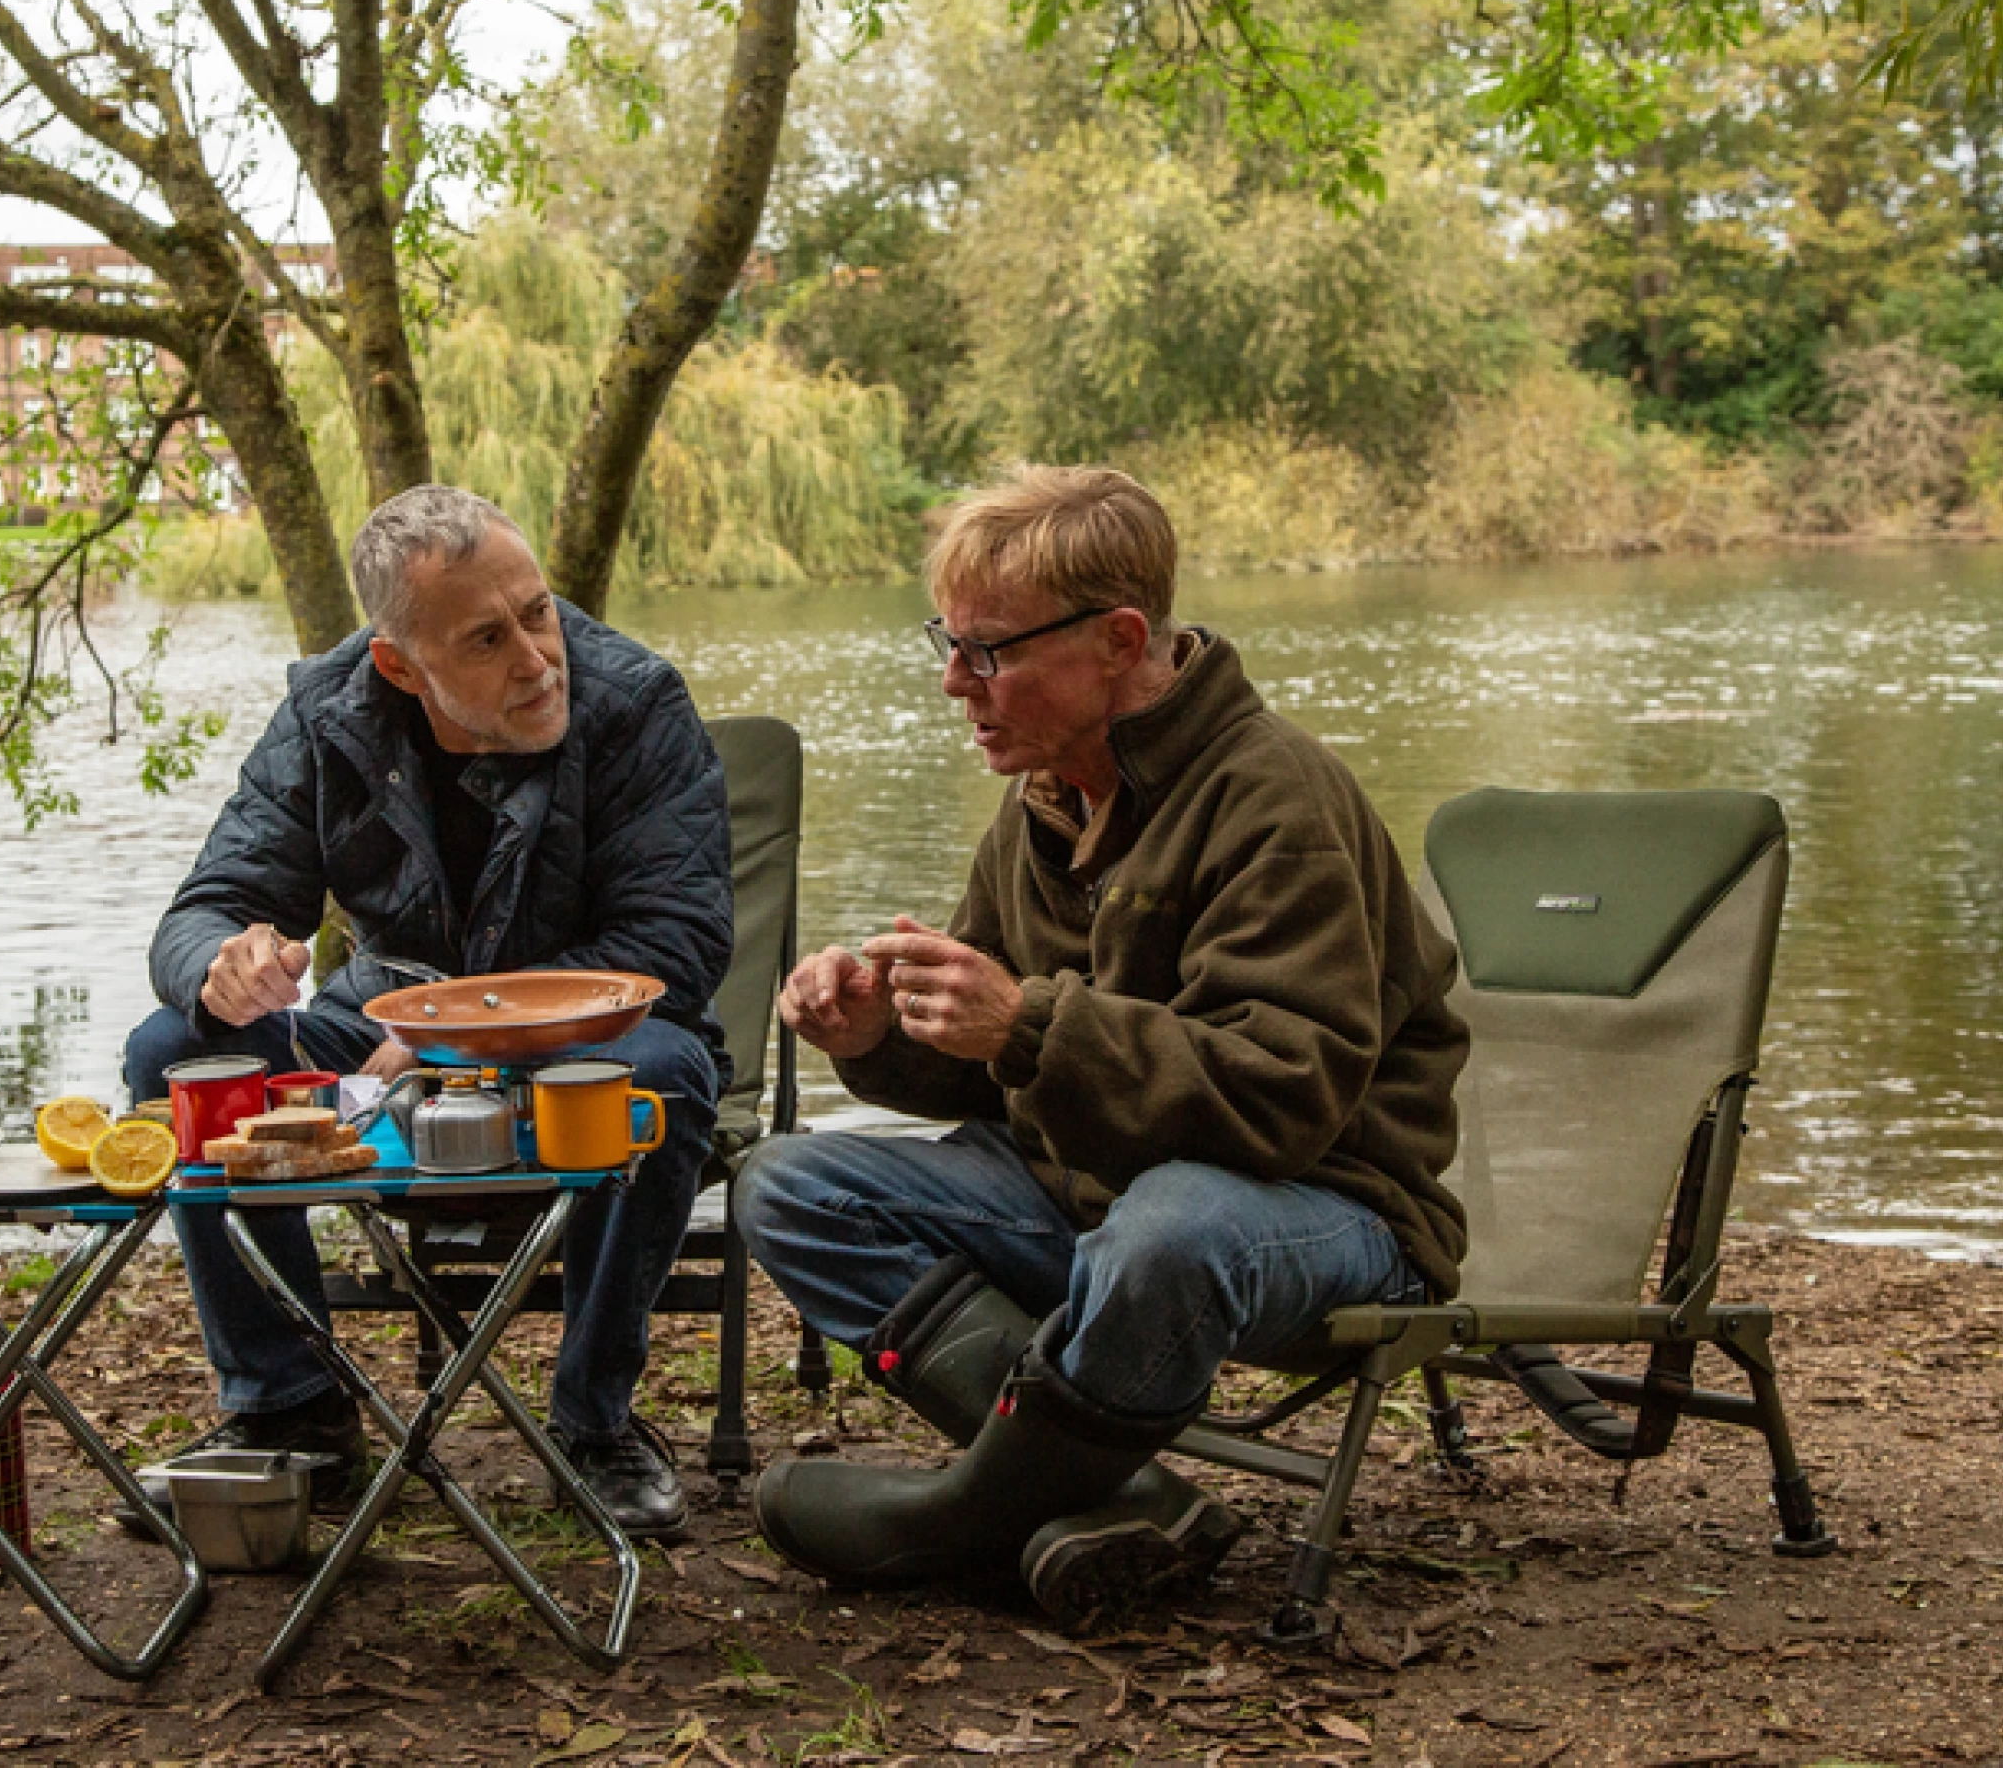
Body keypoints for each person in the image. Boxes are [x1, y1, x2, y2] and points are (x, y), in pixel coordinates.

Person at [732, 464, 1470, 1621]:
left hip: (1331, 1209)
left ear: (1118, 641)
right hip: (1092, 1196)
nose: (952, 681)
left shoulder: (1273, 798)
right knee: (787, 1184)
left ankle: (964, 1514)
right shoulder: (1041, 799)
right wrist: (880, 1031)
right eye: (948, 643)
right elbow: (990, 1071)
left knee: (1169, 1227)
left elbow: (1282, 1101)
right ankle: (1120, 1495)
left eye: (986, 651)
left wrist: (1027, 1021)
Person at [123, 485, 733, 1539]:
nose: (537, 660)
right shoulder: (327, 712)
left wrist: (453, 1032)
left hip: (583, 1038)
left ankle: (593, 1424)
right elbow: (208, 905)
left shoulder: (635, 702)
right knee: (179, 1047)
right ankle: (290, 1411)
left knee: (666, 1071)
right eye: (487, 639)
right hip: (381, 1033)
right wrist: (220, 963)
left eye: (538, 613)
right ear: (399, 665)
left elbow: (674, 947)